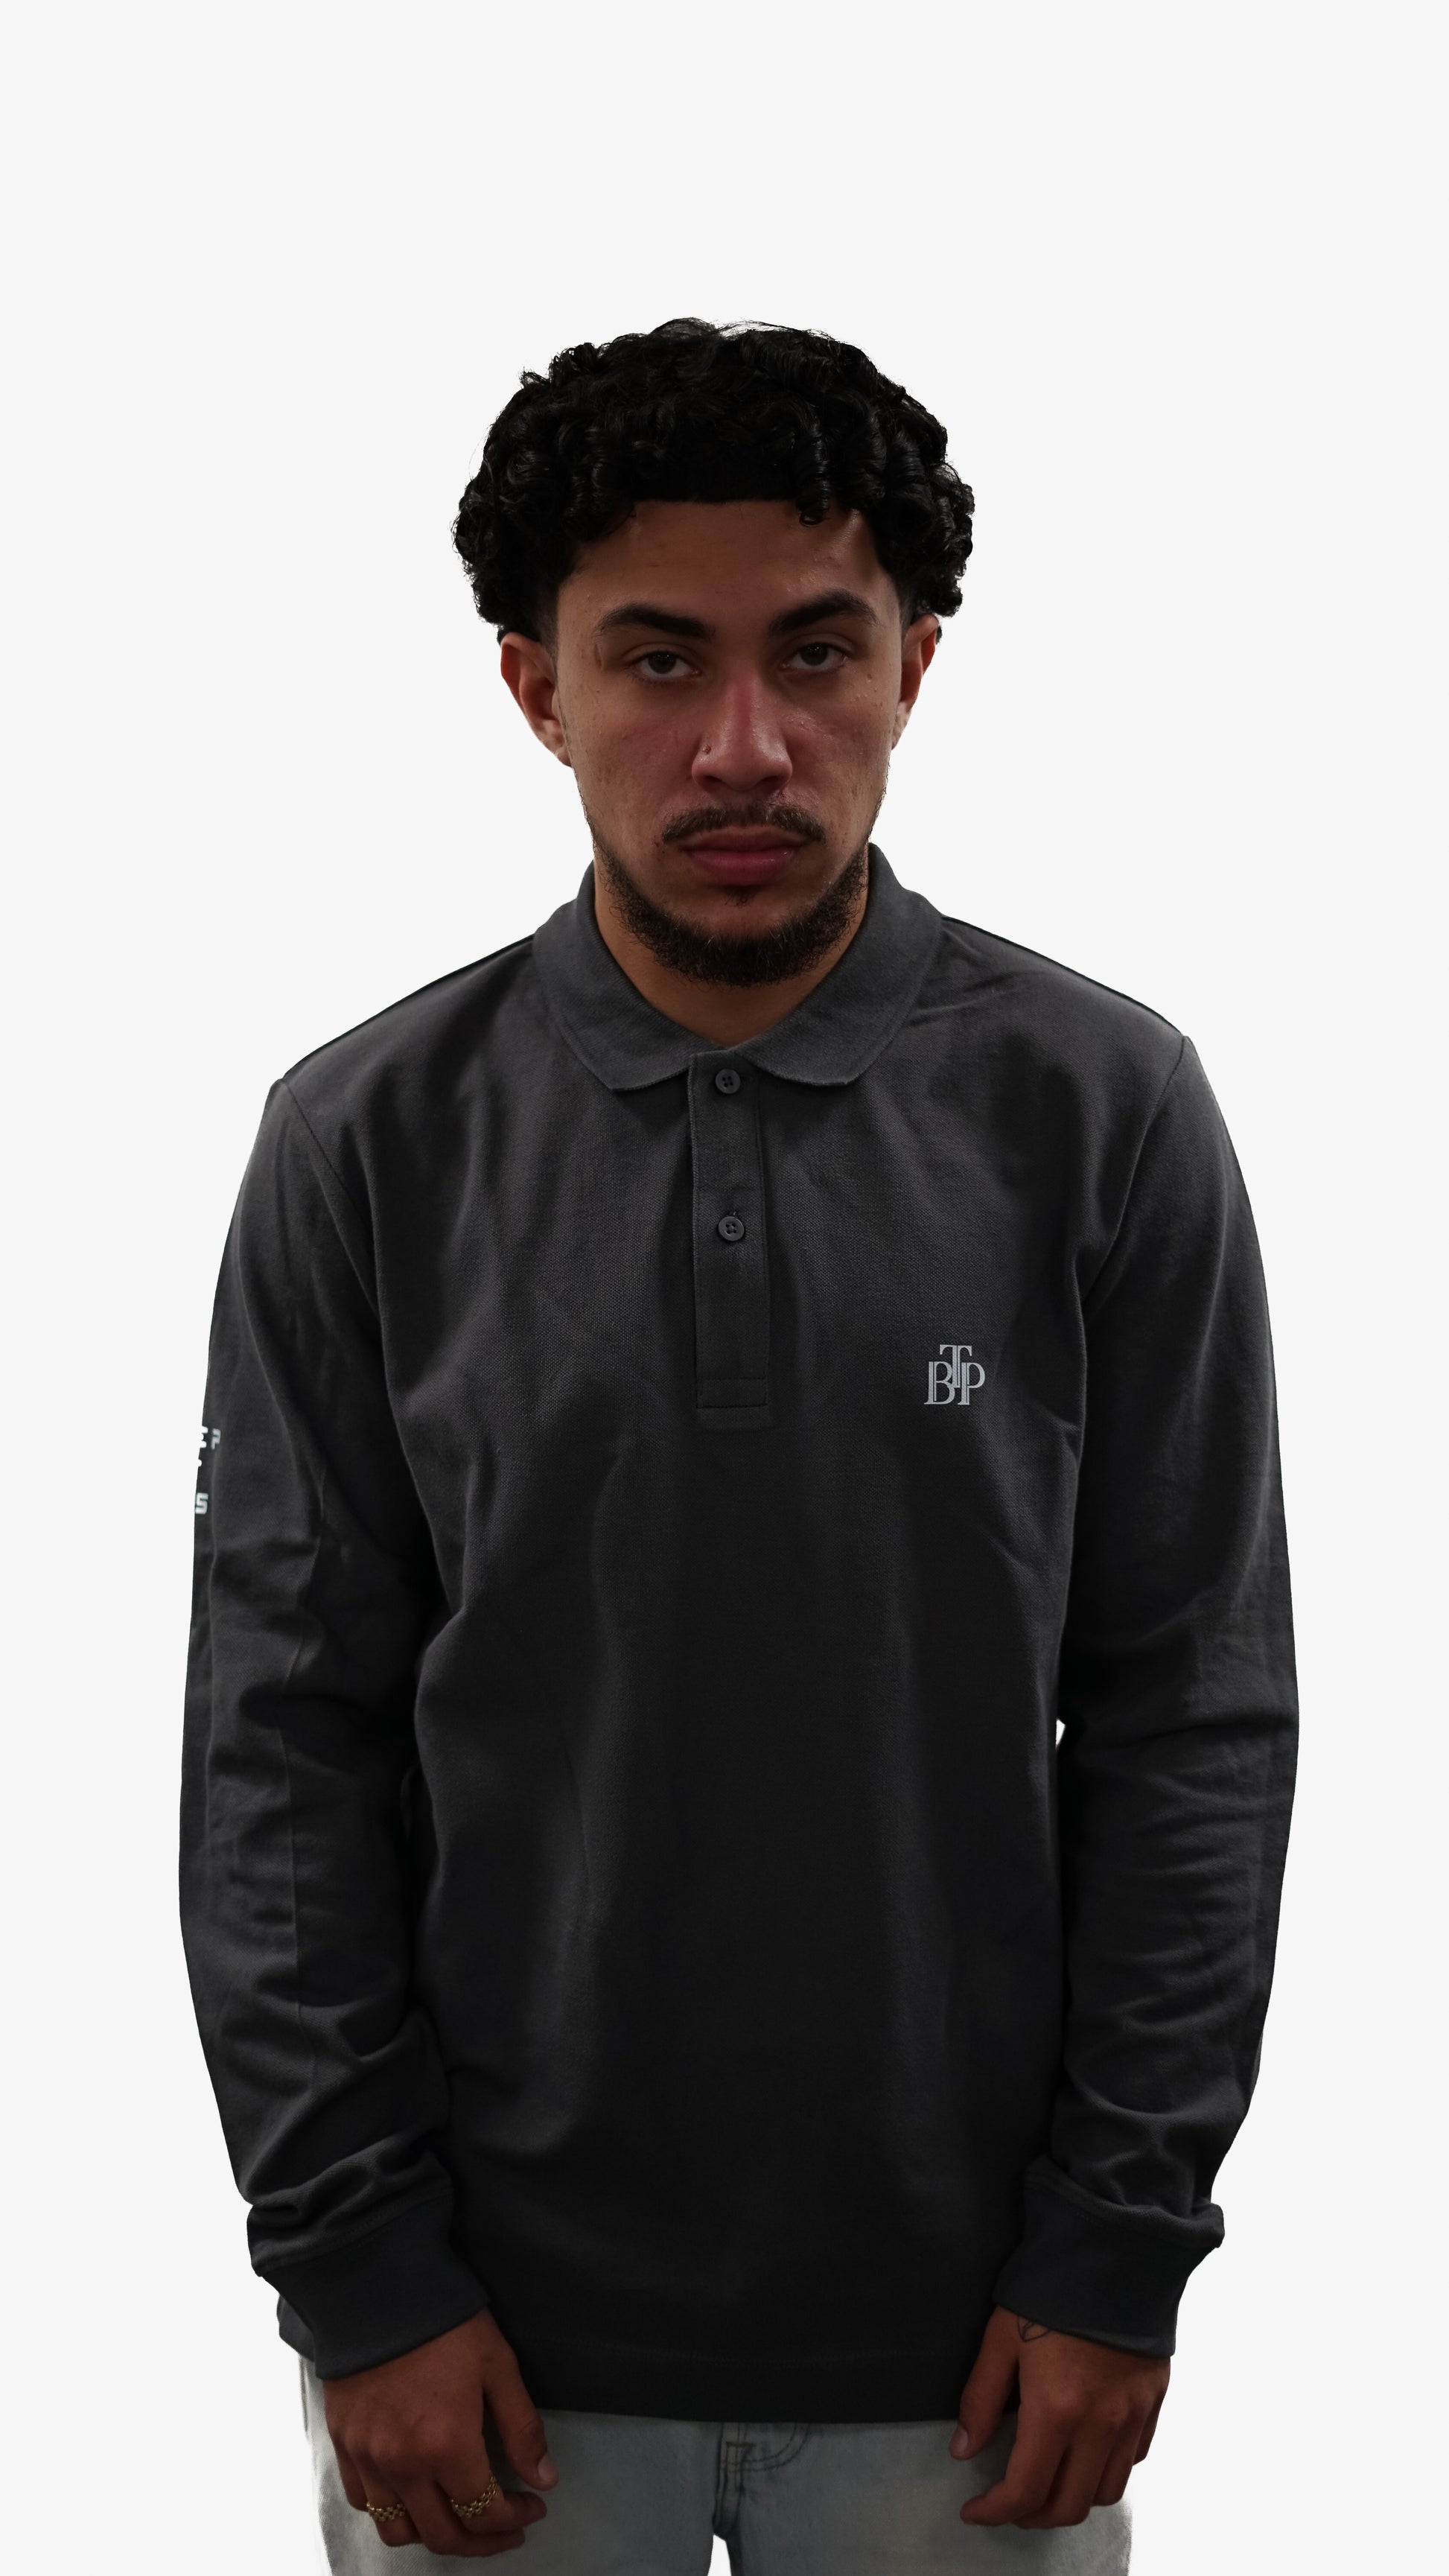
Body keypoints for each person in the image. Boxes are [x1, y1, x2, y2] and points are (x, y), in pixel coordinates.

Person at [181, 319, 1297, 2573]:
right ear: (535, 686)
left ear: (915, 666)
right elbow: (279, 1744)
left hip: (975, 2352)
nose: (744, 746)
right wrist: (357, 2266)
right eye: (656, 660)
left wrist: (1118, 2238)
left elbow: (1191, 1716)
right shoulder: (364, 1139)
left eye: (815, 651)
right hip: (481, 2348)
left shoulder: (1104, 1111)